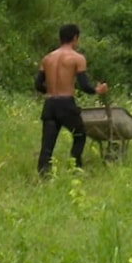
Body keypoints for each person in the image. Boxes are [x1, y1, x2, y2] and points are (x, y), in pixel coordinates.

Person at [34, 23, 108, 176]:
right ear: (75, 38)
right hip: (66, 104)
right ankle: (75, 167)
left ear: (60, 38)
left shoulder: (47, 58)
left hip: (50, 104)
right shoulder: (77, 58)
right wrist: (97, 90)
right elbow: (84, 85)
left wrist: (50, 92)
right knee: (80, 134)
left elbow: (37, 84)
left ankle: (43, 174)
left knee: (47, 143)